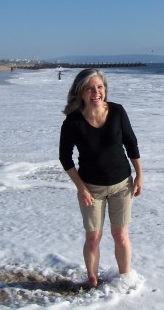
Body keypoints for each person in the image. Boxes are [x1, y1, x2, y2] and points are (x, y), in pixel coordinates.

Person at [59, 68, 143, 287]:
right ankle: (93, 281)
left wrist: (140, 175)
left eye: (99, 87)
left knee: (120, 235)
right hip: (91, 189)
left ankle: (125, 281)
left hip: (122, 185)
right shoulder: (72, 122)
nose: (96, 92)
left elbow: (131, 144)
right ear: (80, 92)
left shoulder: (117, 112)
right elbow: (65, 158)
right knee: (93, 238)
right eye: (89, 88)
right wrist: (81, 188)